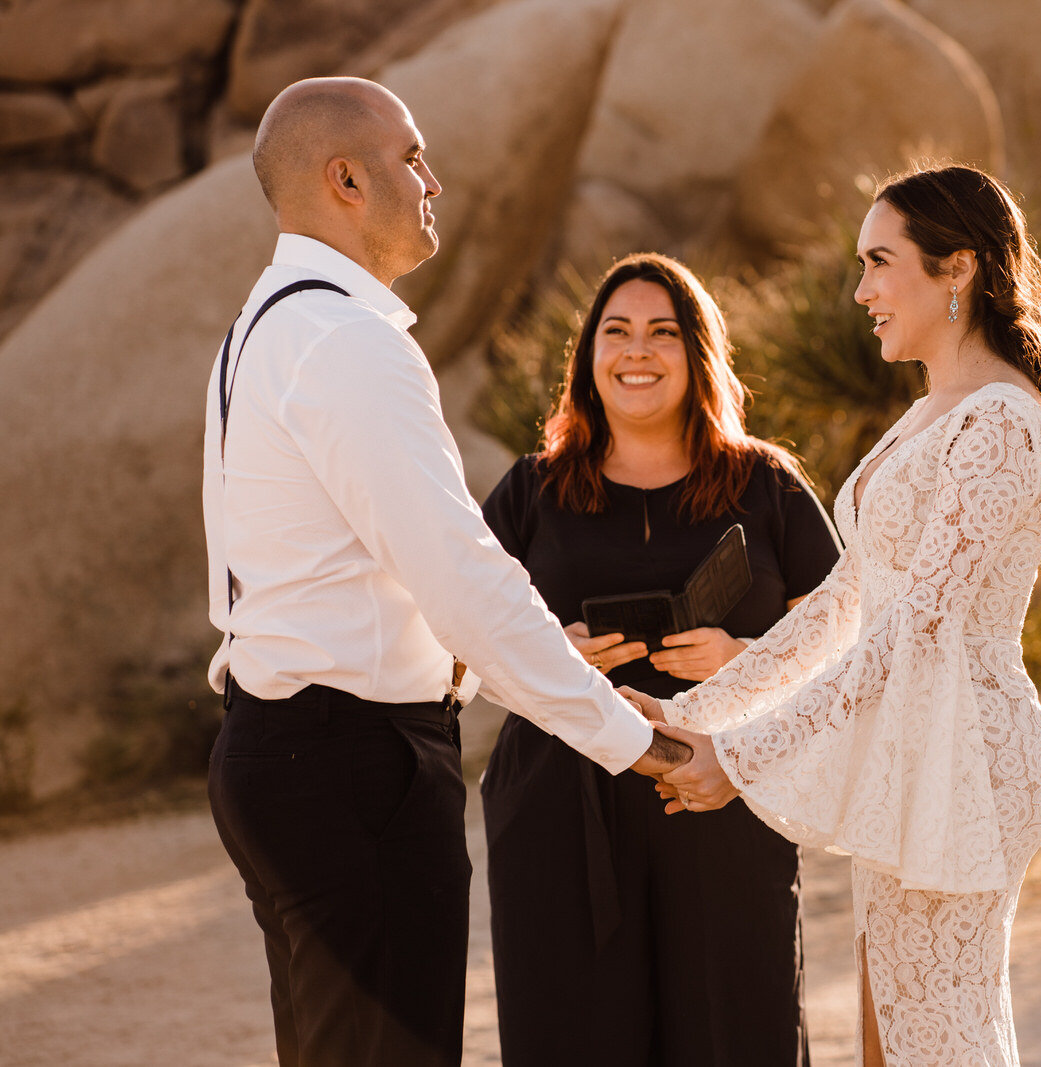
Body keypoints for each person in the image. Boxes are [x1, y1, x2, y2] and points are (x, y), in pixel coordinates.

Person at [201, 78, 689, 1067]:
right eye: (411, 158)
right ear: (344, 180)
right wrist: (630, 737)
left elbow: (354, 570)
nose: (434, 180)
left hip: (283, 748)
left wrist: (514, 657)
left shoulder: (263, 324)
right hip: (351, 766)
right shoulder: (346, 341)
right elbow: (458, 571)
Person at [633, 164, 1041, 1066]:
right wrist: (699, 716)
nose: (860, 291)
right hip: (919, 746)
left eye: (880, 262)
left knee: (932, 1042)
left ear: (958, 269)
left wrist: (739, 758)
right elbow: (841, 607)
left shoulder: (1002, 427)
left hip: (970, 754)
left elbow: (918, 630)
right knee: (895, 1039)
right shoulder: (930, 415)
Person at [478, 252, 841, 1066]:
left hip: (721, 803)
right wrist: (548, 652)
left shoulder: (768, 485)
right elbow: (457, 634)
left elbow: (845, 647)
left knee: (736, 1035)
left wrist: (744, 659)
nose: (637, 350)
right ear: (588, 357)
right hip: (558, 814)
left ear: (698, 353)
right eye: (617, 331)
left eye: (662, 332)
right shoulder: (531, 491)